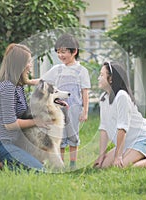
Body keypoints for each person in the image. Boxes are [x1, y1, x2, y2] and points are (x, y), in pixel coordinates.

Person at [0, 43, 51, 172]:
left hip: (13, 141)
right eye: (28, 62)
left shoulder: (17, 85)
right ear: (19, 65)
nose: (30, 65)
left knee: (42, 160)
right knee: (39, 171)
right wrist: (37, 122)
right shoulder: (8, 87)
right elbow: (10, 124)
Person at [93, 61, 146, 169]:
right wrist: (101, 156)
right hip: (126, 143)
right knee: (100, 167)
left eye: (102, 75)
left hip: (142, 139)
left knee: (121, 168)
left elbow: (122, 128)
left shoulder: (122, 96)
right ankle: (139, 159)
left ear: (111, 78)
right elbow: (104, 129)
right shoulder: (103, 99)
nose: (99, 78)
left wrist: (118, 157)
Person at [41, 34, 91, 169]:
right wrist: (26, 81)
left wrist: (85, 111)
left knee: (73, 135)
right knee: (61, 136)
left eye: (63, 52)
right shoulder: (57, 69)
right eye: (58, 52)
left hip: (74, 108)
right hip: (58, 109)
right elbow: (42, 81)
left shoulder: (81, 71)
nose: (60, 55)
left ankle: (73, 164)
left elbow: (85, 92)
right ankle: (61, 164)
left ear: (74, 51)